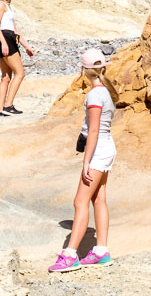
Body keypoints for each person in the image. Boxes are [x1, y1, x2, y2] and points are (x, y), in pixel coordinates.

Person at [48, 48, 117, 273]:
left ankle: (70, 255)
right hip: (107, 147)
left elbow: (94, 131)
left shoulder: (95, 94)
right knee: (98, 200)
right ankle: (101, 251)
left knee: (80, 201)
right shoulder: (106, 91)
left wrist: (86, 161)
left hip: (98, 150)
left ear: (84, 69)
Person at [0, 0, 35, 115]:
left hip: (9, 38)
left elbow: (15, 30)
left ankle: (0, 109)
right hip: (6, 39)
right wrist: (3, 42)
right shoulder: (0, 5)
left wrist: (27, 46)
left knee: (6, 77)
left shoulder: (7, 7)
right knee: (20, 73)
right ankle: (8, 105)